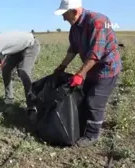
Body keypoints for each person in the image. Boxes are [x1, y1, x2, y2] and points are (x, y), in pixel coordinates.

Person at [53, 0, 122, 147]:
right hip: (91, 68)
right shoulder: (75, 28)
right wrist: (61, 67)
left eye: (65, 14)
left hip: (106, 68)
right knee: (84, 97)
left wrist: (80, 74)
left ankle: (92, 135)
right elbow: (73, 49)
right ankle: (83, 127)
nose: (64, 18)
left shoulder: (98, 21)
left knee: (94, 101)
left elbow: (96, 54)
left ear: (75, 11)